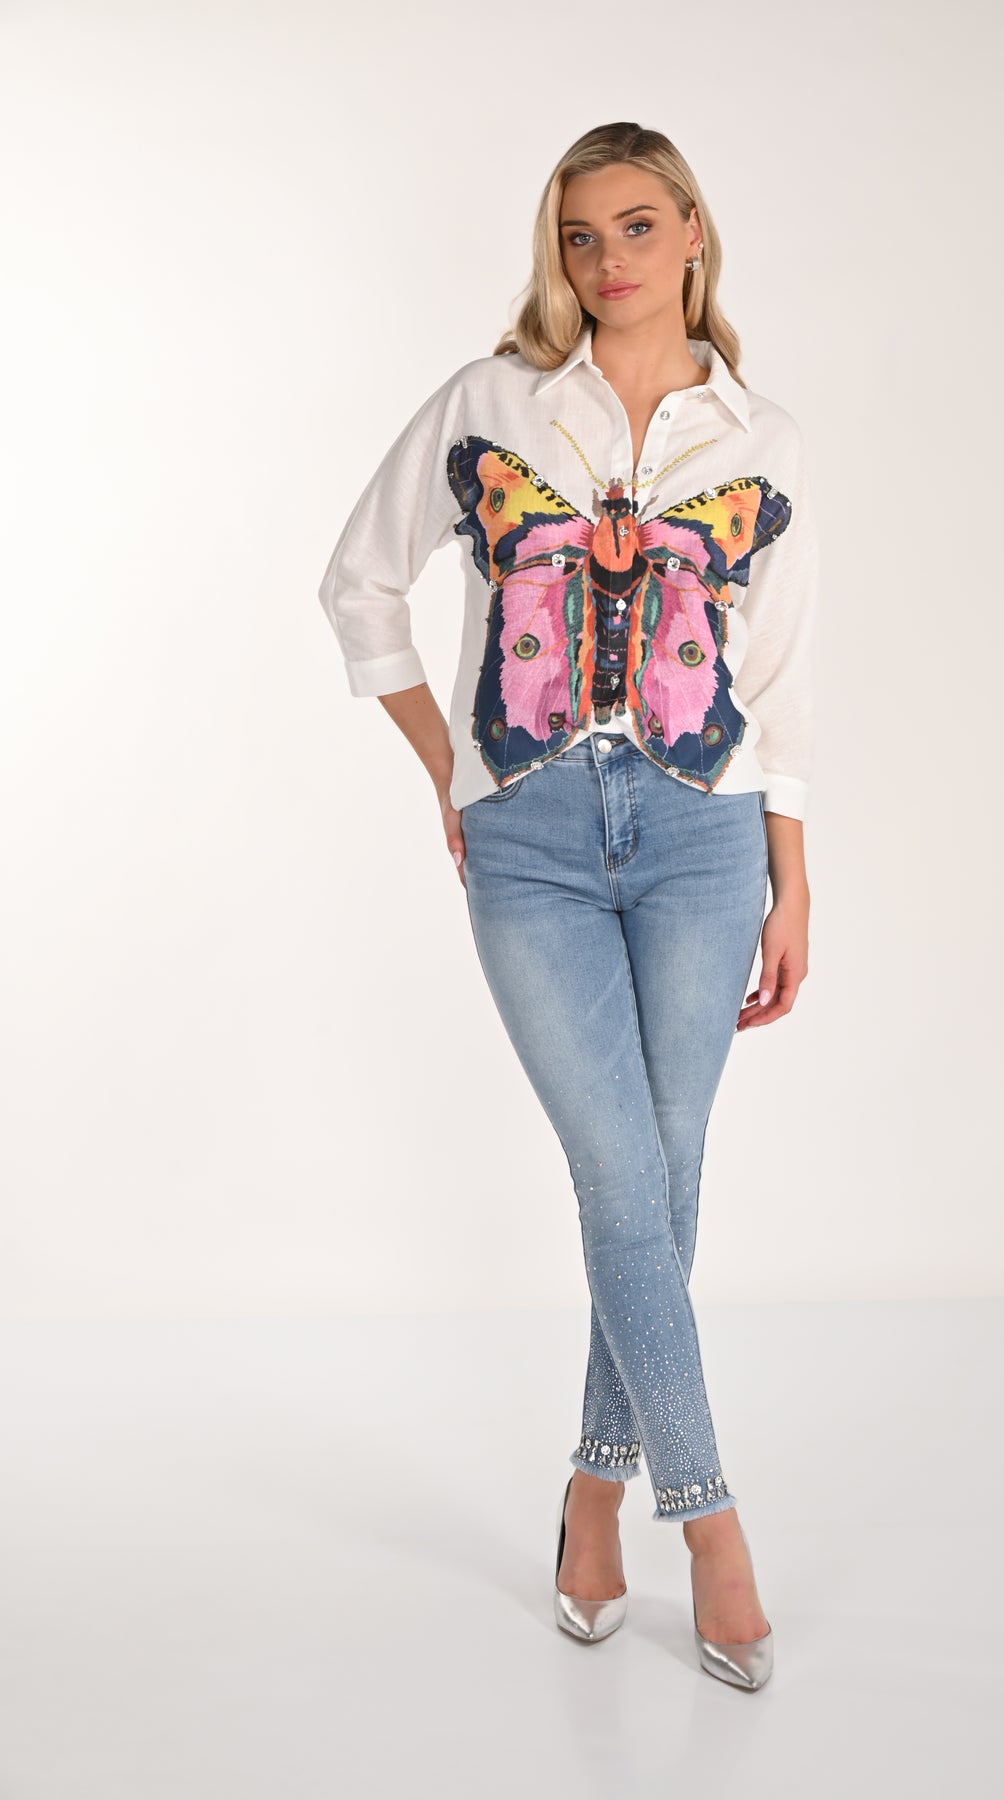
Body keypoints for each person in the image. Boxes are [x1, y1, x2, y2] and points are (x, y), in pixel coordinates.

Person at [316, 121, 820, 1692]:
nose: (607, 260)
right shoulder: (492, 405)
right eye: (580, 234)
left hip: (701, 832)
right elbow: (358, 582)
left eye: (636, 226)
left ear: (692, 234)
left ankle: (592, 1492)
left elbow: (779, 679)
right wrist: (449, 769)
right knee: (620, 1176)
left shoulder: (761, 437)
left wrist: (792, 877)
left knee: (663, 1178)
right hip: (526, 831)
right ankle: (710, 1521)